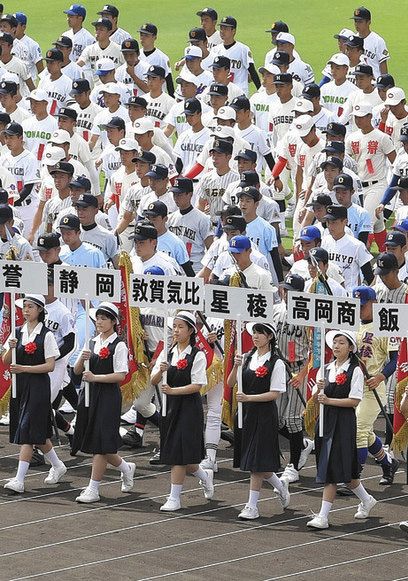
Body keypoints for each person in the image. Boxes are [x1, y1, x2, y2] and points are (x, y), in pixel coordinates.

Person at [307, 330, 377, 529]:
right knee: (346, 471)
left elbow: (354, 401)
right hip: (326, 421)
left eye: (341, 343)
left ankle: (323, 516)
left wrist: (329, 400)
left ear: (350, 347)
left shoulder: (355, 370)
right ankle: (367, 499)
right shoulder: (326, 369)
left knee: (332, 467)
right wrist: (319, 390)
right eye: (335, 342)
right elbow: (315, 399)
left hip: (343, 422)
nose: (337, 346)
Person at [2, 294, 66, 494]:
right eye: (24, 307)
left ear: (39, 309)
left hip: (38, 386)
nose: (26, 311)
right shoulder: (17, 331)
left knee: (28, 431)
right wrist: (11, 348)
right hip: (20, 385)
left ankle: (20, 480)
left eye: (30, 307)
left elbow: (50, 365)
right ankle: (58, 465)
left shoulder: (46, 334)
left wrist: (24, 369)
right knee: (36, 432)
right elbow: (5, 361)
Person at [150, 311, 214, 511]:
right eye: (174, 327)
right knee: (183, 456)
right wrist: (161, 370)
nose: (176, 331)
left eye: (180, 327)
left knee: (178, 454)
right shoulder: (167, 352)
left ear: (190, 331)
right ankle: (204, 476)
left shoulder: (198, 354)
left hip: (188, 408)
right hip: (169, 408)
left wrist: (173, 391)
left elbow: (197, 385)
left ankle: (174, 498)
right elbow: (153, 381)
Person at [72, 302, 135, 503]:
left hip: (107, 397)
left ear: (113, 322)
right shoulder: (91, 342)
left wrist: (95, 378)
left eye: (104, 318)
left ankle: (93, 488)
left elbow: (121, 375)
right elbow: (76, 371)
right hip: (89, 395)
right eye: (97, 318)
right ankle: (126, 467)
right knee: (98, 442)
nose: (99, 322)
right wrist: (82, 359)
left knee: (100, 443)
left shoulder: (119, 345)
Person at [228, 322, 290, 520]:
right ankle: (280, 485)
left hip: (264, 415)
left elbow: (274, 394)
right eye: (254, 333)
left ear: (269, 337)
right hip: (246, 413)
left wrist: (249, 398)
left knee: (255, 462)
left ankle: (252, 506)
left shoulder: (276, 362)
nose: (255, 336)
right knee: (257, 461)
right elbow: (230, 383)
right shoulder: (246, 357)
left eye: (260, 333)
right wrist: (236, 366)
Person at [352, 286, 399, 484]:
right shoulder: (351, 324)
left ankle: (354, 476)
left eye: (363, 305)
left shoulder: (385, 325)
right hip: (353, 386)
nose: (360, 309)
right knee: (366, 432)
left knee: (359, 431)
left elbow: (395, 360)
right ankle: (387, 463)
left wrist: (380, 376)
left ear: (374, 303)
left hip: (373, 389)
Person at [211, 16, 260, 95]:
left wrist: (260, 90)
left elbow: (252, 71)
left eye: (226, 29)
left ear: (233, 31)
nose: (222, 31)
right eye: (221, 28)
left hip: (240, 91)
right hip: (222, 92)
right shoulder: (215, 50)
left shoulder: (243, 49)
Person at [351, 6, 389, 77]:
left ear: (368, 22)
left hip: (374, 84)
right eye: (355, 21)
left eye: (360, 21)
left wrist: (383, 84)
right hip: (358, 82)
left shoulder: (378, 41)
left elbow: (383, 65)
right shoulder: (353, 40)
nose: (356, 24)